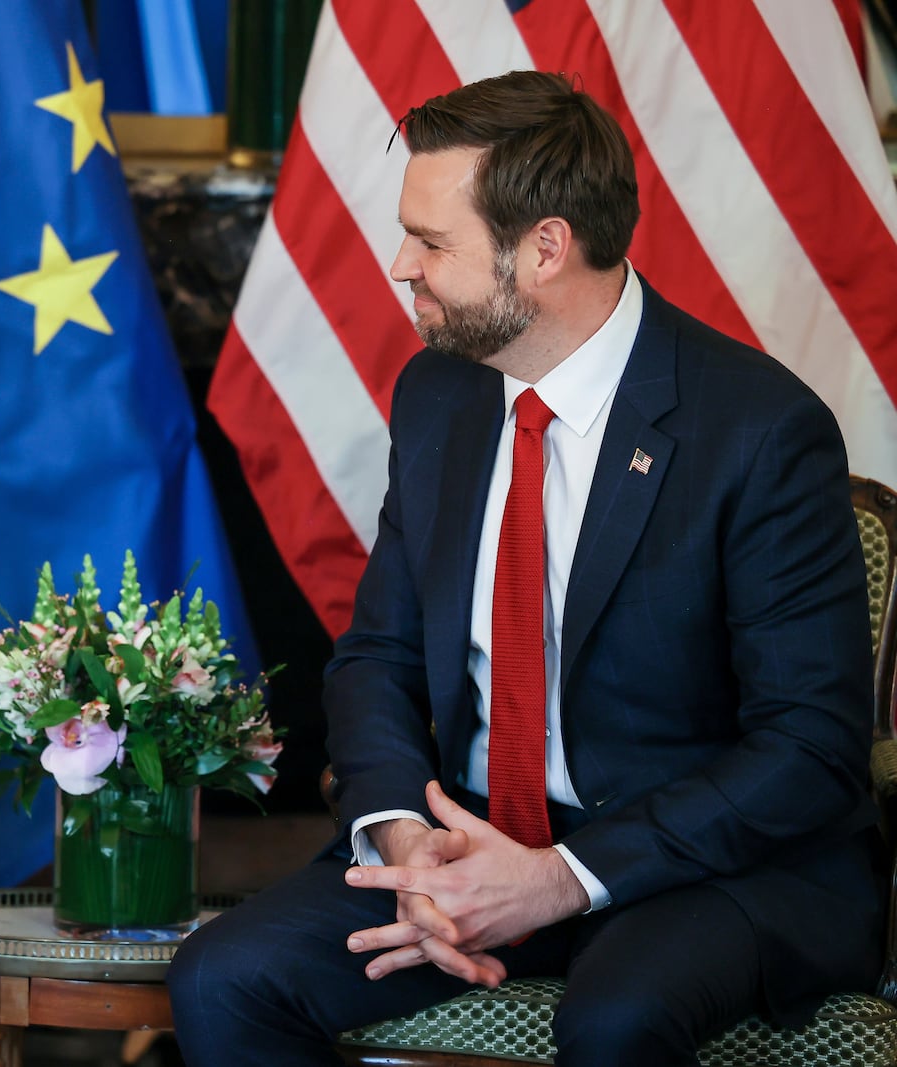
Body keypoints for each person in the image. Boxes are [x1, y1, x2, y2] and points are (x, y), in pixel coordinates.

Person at [168, 70, 882, 1066]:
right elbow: (376, 653)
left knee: (615, 1017)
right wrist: (404, 840)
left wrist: (561, 874)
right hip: (469, 843)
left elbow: (808, 748)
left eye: (431, 240)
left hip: (704, 868)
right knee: (223, 974)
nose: (398, 263)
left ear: (544, 248)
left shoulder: (758, 432)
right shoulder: (440, 396)